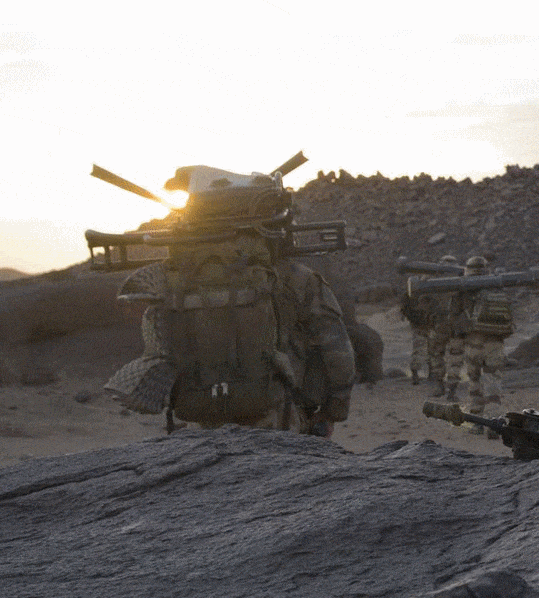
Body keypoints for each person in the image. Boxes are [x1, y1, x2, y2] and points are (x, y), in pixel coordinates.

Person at [103, 167, 356, 437]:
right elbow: (337, 351)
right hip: (277, 420)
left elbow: (159, 347)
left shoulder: (170, 278)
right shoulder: (296, 278)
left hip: (198, 423)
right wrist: (333, 411)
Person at [455, 254, 513, 423]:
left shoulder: (463, 288)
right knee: (493, 382)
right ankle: (494, 421)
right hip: (495, 343)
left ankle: (476, 421)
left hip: (473, 343)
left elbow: (456, 316)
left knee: (474, 382)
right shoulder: (496, 285)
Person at [424, 254, 470, 397]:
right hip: (457, 326)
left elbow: (423, 302)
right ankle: (452, 390)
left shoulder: (433, 282)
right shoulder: (464, 282)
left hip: (439, 325)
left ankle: (439, 386)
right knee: (456, 359)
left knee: (436, 355)